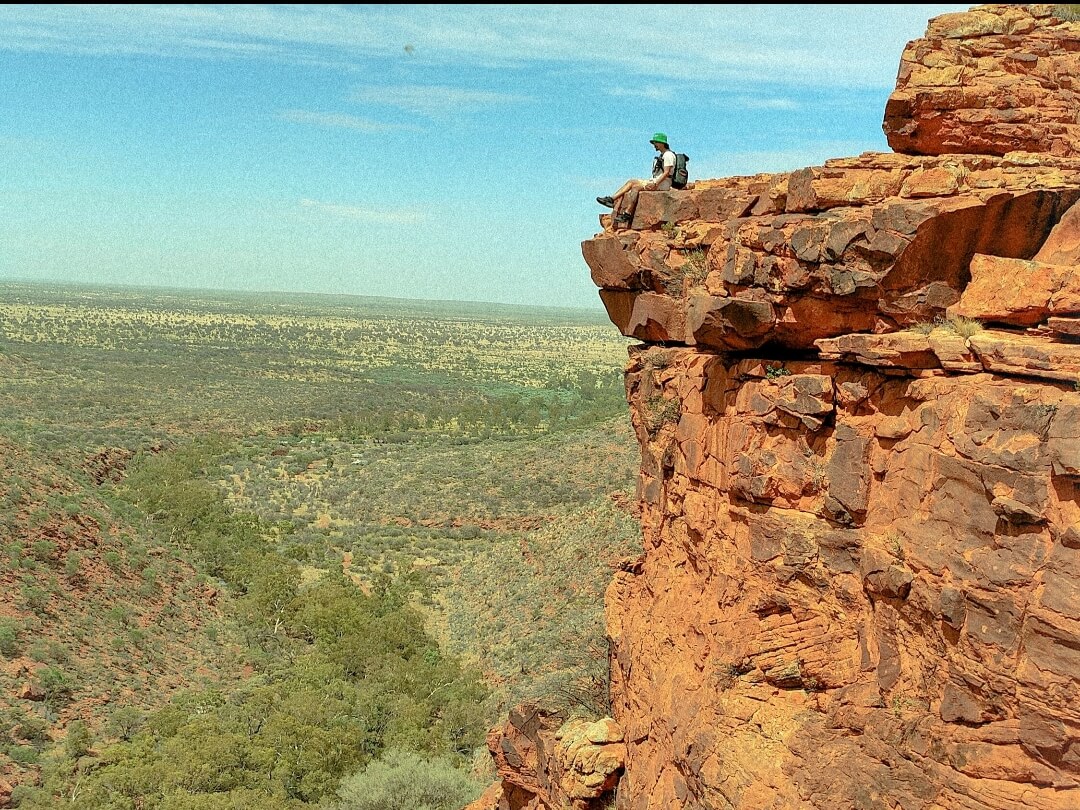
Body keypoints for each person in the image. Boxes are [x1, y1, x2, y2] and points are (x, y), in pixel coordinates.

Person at [597, 133, 676, 229]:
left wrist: (655, 183)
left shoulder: (668, 155)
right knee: (632, 181)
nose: (654, 145)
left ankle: (627, 214)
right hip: (657, 181)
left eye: (655, 143)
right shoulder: (663, 155)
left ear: (661, 143)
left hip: (662, 184)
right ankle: (611, 199)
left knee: (636, 188)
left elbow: (667, 172)